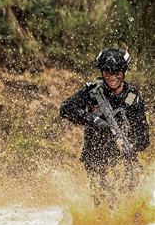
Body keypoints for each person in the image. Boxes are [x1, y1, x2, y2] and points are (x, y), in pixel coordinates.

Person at [60, 47, 150, 207]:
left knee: (132, 206)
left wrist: (130, 144)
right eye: (107, 73)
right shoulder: (92, 92)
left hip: (123, 159)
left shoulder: (132, 98)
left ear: (124, 72)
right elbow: (66, 108)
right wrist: (96, 122)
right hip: (95, 156)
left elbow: (143, 137)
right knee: (102, 205)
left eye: (117, 73)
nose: (112, 77)